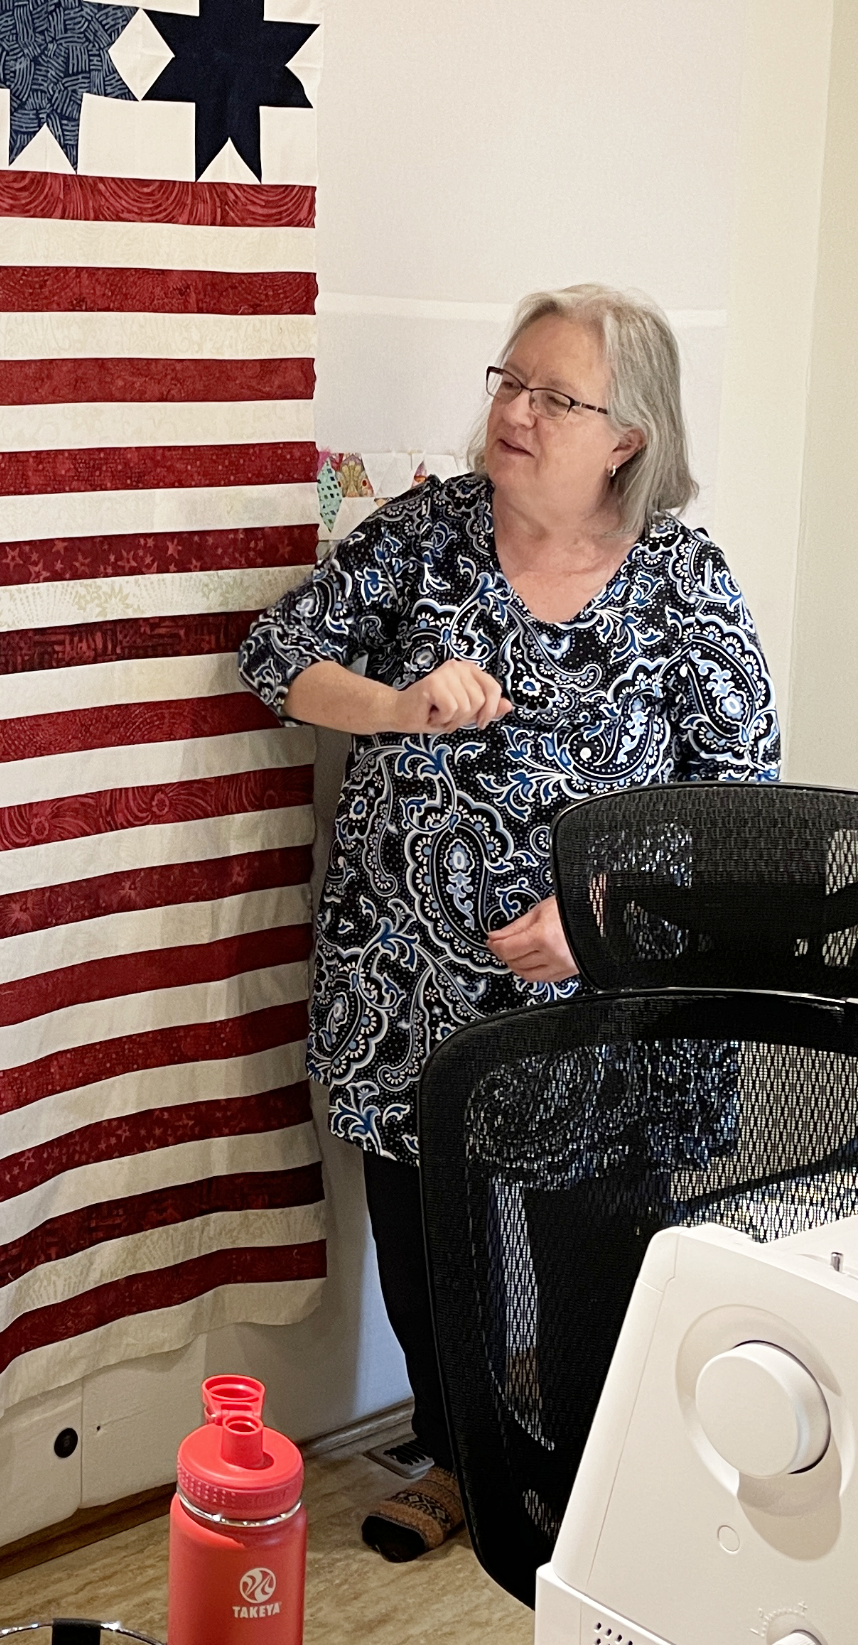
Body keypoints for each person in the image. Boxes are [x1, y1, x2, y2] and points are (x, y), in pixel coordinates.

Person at [237, 286, 780, 1561]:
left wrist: (599, 920)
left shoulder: (683, 581)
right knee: (432, 1244)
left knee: (592, 1252)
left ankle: (596, 1471)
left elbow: (740, 808)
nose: (515, 413)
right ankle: (459, 1457)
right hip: (405, 979)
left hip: (596, 1000)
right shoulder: (427, 532)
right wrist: (395, 706)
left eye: (555, 397)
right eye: (509, 382)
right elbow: (276, 656)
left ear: (628, 437)